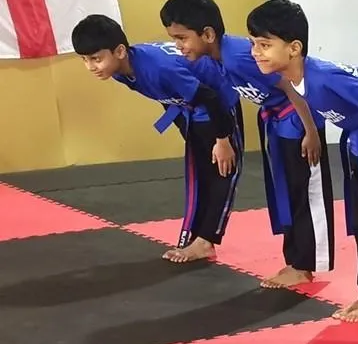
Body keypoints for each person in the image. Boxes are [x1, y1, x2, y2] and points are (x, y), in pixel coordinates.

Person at [246, 0, 358, 323]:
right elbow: (296, 95)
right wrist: (311, 131)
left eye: (265, 45)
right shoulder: (292, 76)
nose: (256, 52)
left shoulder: (324, 78)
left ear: (294, 48)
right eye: (254, 43)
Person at [160, 0, 334, 290]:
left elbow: (290, 83)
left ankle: (305, 265)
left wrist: (310, 131)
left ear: (208, 34)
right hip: (276, 120)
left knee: (304, 192)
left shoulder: (237, 56)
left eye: (182, 38)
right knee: (285, 193)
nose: (178, 45)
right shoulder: (215, 60)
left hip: (297, 117)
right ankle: (295, 261)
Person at [71, 14, 242, 264]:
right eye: (85, 60)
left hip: (218, 104)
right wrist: (187, 129)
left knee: (222, 173)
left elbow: (210, 97)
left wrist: (223, 140)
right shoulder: (120, 70)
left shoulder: (158, 68)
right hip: (191, 109)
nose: (91, 67)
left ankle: (206, 241)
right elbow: (164, 94)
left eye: (96, 59)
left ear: (119, 51)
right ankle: (196, 236)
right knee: (201, 173)